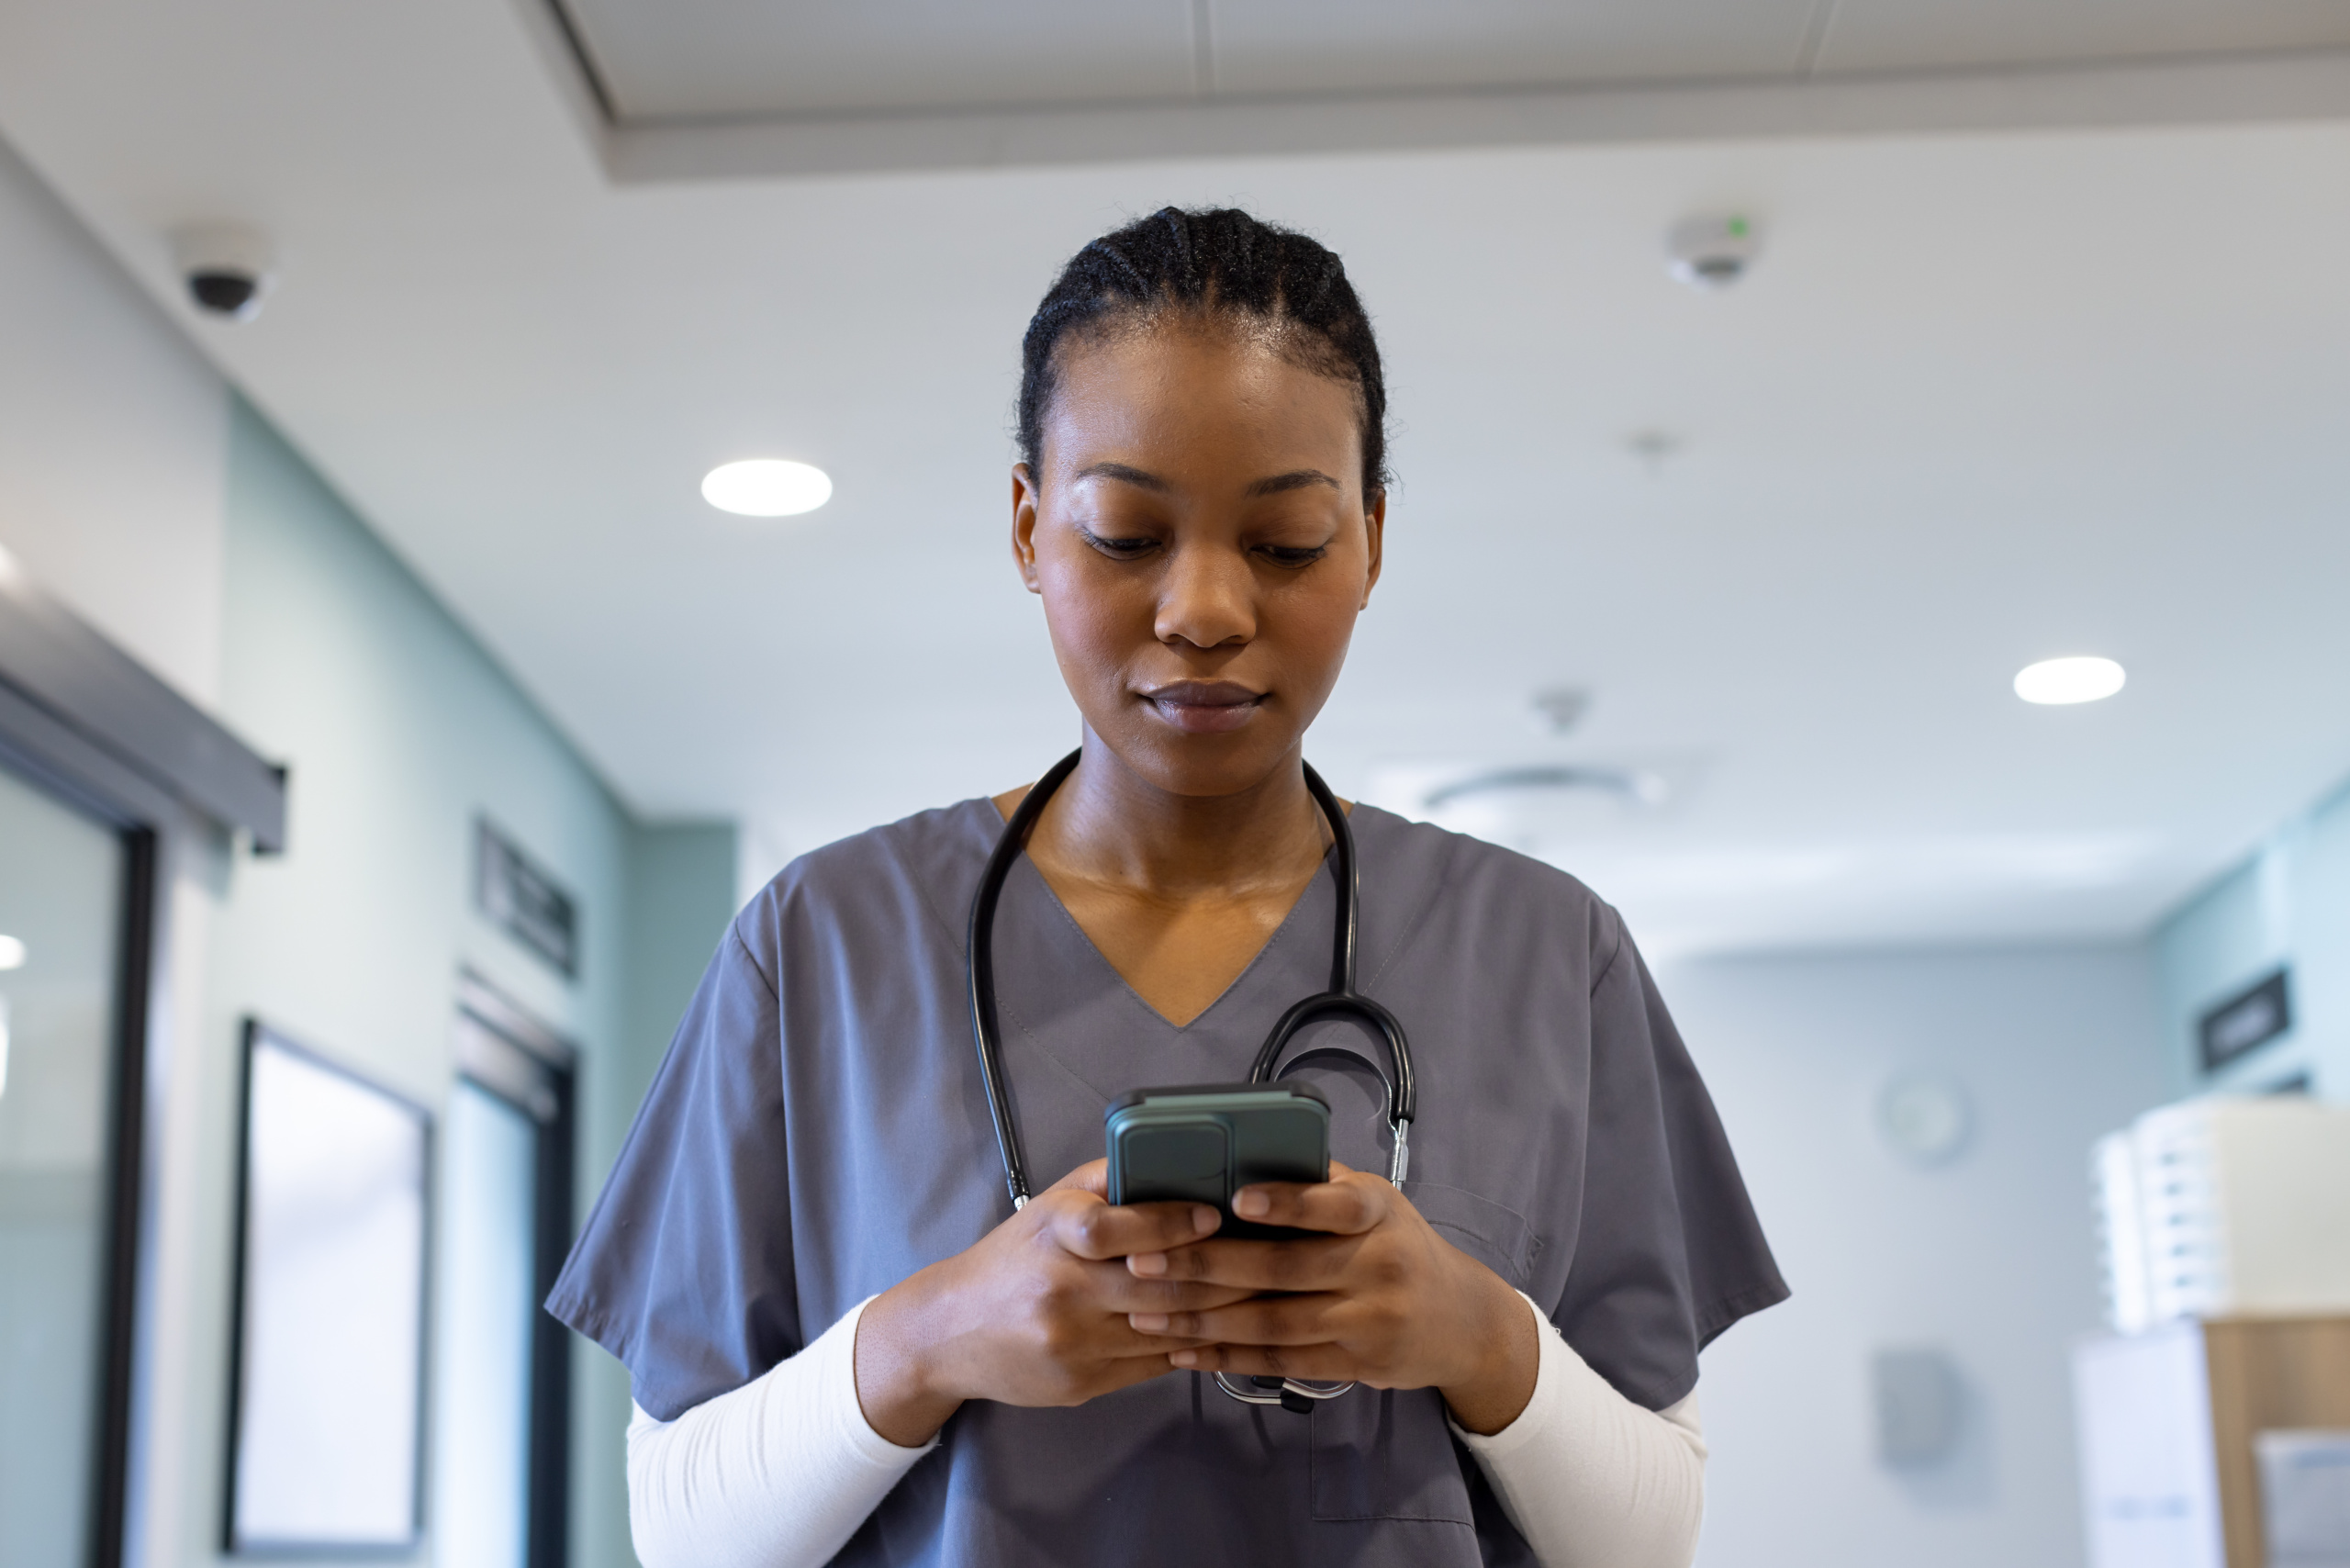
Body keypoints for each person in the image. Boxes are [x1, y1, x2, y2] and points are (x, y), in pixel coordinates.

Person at [547, 207, 1786, 1568]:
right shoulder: (824, 947)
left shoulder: (1550, 957)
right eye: (1127, 534)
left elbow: (1653, 1534)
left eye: (1289, 542)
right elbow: (676, 1530)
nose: (1204, 609)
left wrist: (1478, 1337)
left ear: (1371, 540)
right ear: (1030, 530)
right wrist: (933, 1337)